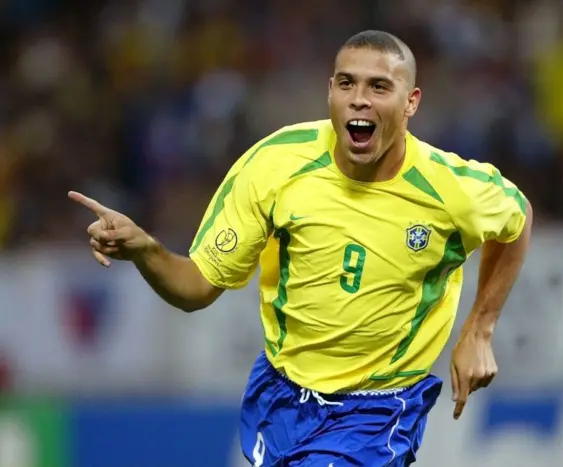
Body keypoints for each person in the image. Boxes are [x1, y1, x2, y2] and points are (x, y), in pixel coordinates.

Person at [69, 30, 532, 466]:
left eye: (379, 87)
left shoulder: (449, 188)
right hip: (279, 396)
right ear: (330, 91)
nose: (360, 99)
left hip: (379, 408)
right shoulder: (276, 165)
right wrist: (146, 250)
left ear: (410, 102)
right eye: (347, 83)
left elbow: (517, 218)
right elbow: (197, 287)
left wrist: (480, 328)